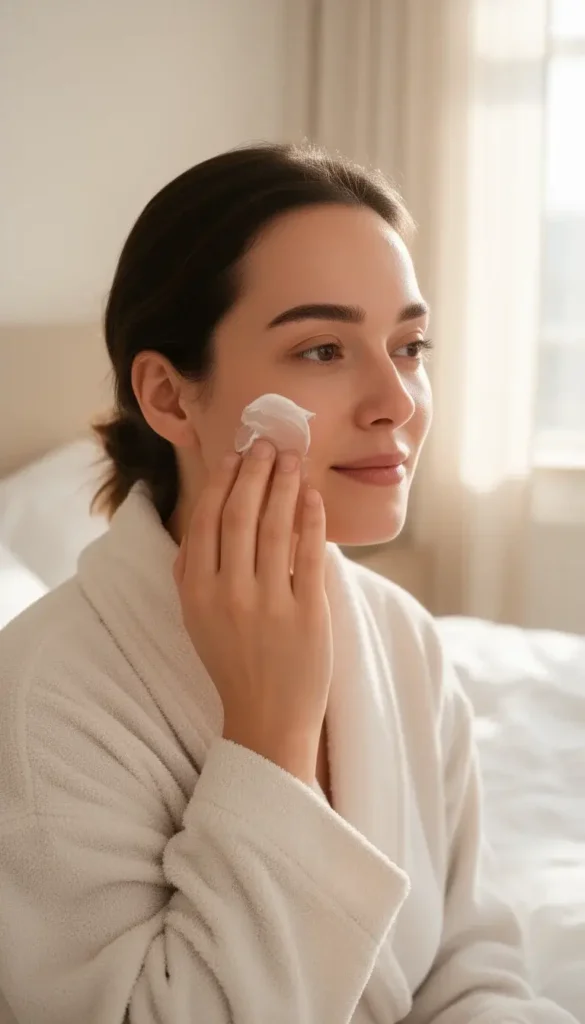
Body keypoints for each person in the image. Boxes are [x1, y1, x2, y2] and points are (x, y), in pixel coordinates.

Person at [0, 143, 575, 1024]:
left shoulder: (401, 635)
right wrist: (269, 736)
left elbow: (464, 967)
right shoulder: (46, 701)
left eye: (410, 345)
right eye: (321, 349)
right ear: (167, 396)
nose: (397, 400)